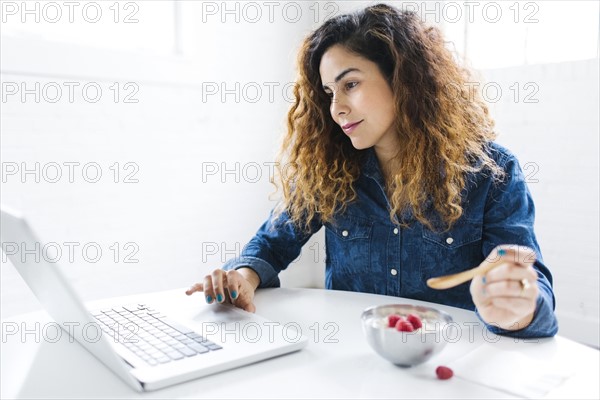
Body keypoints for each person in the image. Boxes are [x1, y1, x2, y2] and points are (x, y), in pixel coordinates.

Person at [186, 3, 558, 338]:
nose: (337, 109)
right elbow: (272, 243)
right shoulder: (330, 168)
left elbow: (533, 293)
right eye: (330, 93)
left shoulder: (491, 172)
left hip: (447, 364)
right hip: (351, 359)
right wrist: (244, 278)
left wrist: (515, 308)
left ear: (403, 79)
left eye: (351, 84)